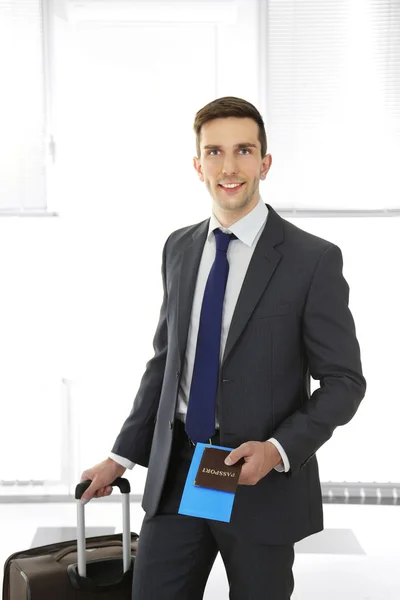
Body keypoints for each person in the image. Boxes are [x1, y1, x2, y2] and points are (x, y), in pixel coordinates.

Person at [80, 96, 367, 600]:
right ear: (197, 165)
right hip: (180, 473)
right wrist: (121, 457)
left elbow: (344, 383)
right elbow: (166, 364)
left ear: (265, 162)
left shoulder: (312, 260)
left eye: (243, 150)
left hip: (256, 482)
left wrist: (278, 450)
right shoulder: (179, 247)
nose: (228, 167)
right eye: (214, 152)